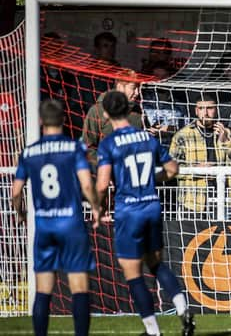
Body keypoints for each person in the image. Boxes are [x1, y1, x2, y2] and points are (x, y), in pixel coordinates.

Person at [95, 91, 194, 336]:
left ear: (106, 114)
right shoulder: (147, 138)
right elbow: (173, 169)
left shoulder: (109, 143)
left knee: (133, 273)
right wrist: (153, 178)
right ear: (129, 110)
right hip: (151, 206)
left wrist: (100, 208)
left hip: (129, 211)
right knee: (156, 263)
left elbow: (101, 184)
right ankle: (183, 309)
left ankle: (152, 331)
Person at [11, 99, 101, 336]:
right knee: (79, 287)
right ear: (64, 119)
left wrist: (21, 214)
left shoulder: (29, 152)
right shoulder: (74, 148)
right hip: (71, 224)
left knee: (43, 290)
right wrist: (96, 208)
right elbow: (86, 184)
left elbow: (16, 191)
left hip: (45, 225)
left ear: (41, 121)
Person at [170, 93, 231, 215]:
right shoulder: (183, 135)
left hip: (223, 200)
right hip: (193, 202)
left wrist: (226, 142)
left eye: (210, 108)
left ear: (216, 110)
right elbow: (170, 169)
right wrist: (195, 169)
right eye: (201, 108)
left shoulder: (224, 132)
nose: (205, 113)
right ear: (195, 111)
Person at [82, 70, 143, 167]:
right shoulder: (97, 111)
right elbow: (88, 147)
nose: (137, 93)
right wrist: (104, 169)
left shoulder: (138, 112)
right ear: (119, 87)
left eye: (139, 89)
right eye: (134, 88)